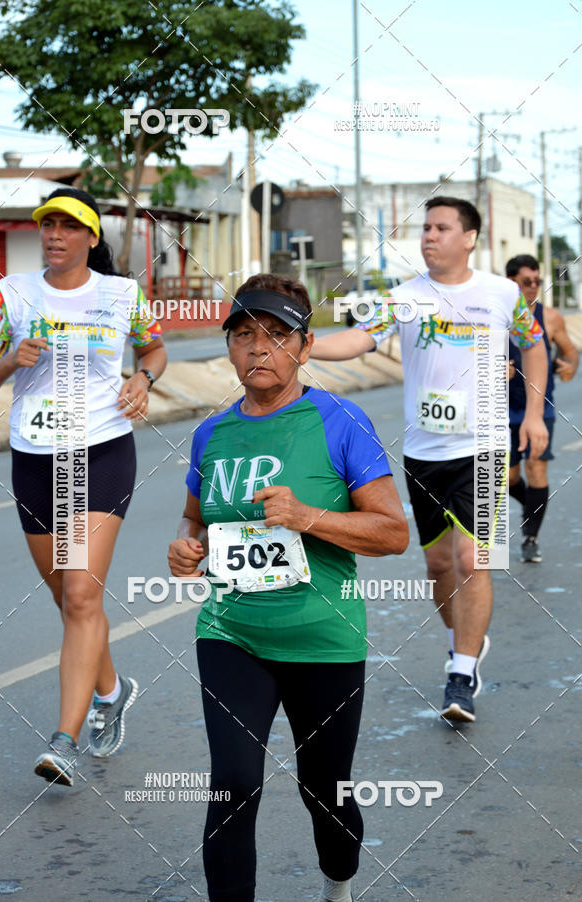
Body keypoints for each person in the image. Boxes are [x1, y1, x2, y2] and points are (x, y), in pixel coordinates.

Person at [168, 273, 408, 902]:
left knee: (325, 792)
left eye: (276, 336)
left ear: (304, 348)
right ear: (228, 349)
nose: (259, 349)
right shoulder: (211, 433)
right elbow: (196, 517)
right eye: (244, 335)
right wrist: (186, 546)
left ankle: (338, 883)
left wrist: (309, 518)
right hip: (231, 632)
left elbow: (392, 533)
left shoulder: (340, 421)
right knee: (233, 783)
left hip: (323, 637)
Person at [311, 197, 548, 723]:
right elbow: (360, 339)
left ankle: (461, 675)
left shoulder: (501, 293)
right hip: (424, 454)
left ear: (470, 238)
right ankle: (460, 642)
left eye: (442, 227)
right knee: (439, 565)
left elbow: (533, 347)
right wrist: (303, 347)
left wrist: (533, 413)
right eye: (425, 227)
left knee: (474, 560)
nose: (429, 236)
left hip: (484, 447)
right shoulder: (405, 297)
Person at [0, 186, 167, 786]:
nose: (55, 234)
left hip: (102, 450)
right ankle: (112, 691)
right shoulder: (9, 295)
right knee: (68, 596)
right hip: (35, 457)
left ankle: (64, 738)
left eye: (68, 226)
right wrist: (11, 360)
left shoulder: (122, 295)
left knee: (83, 597)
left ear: (91, 237)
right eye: (47, 225)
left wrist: (142, 377)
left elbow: (156, 348)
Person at [506, 254, 579, 562]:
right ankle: (531, 506)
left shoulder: (549, 318)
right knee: (507, 478)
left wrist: (569, 368)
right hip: (501, 410)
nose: (533, 288)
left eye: (537, 281)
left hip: (540, 408)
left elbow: (570, 351)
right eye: (526, 282)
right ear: (511, 282)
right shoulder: (493, 317)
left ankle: (530, 537)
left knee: (537, 468)